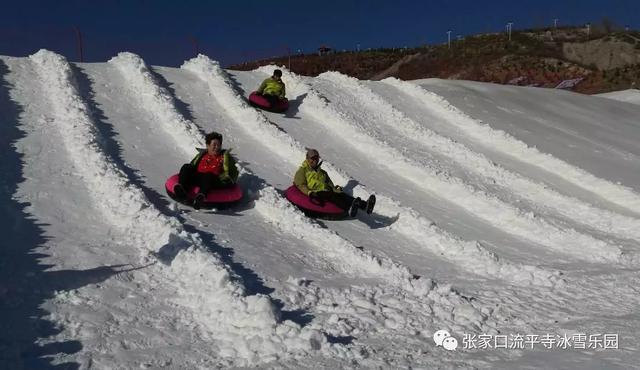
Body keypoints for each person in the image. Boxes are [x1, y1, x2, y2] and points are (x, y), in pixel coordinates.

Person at [294, 149, 375, 217]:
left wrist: (336, 189)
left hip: (326, 191)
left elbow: (330, 185)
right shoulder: (302, 171)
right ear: (307, 159)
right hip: (315, 192)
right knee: (331, 195)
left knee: (342, 195)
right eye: (312, 158)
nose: (315, 160)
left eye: (316, 158)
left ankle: (365, 206)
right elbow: (300, 185)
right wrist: (310, 192)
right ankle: (348, 208)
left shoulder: (322, 172)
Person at [173, 132, 239, 209]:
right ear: (208, 146)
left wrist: (227, 180)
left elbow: (233, 173)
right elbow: (192, 165)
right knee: (186, 166)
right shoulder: (202, 154)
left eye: (218, 145)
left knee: (208, 175)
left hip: (213, 180)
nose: (217, 147)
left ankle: (200, 197)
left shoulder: (225, 157)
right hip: (199, 177)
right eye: (214, 145)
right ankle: (181, 189)